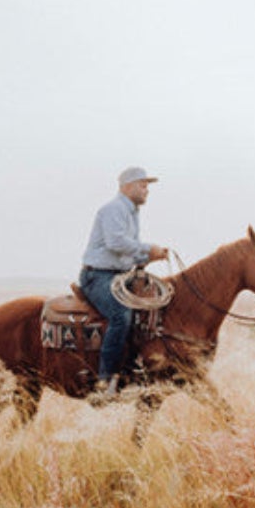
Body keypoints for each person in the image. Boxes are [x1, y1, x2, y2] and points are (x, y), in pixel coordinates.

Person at [78, 165, 170, 397]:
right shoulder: (114, 209)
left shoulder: (131, 213)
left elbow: (127, 251)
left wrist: (149, 255)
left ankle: (134, 368)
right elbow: (116, 243)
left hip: (117, 275)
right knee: (121, 315)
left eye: (147, 186)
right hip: (97, 276)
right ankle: (105, 379)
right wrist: (149, 248)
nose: (147, 190)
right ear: (127, 187)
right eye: (143, 185)